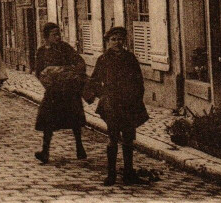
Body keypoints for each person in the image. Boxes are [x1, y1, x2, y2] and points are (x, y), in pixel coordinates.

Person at [87, 26, 150, 186]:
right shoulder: (103, 59)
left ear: (124, 41)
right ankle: (111, 174)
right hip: (112, 104)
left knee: (128, 138)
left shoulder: (130, 58)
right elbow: (94, 81)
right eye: (113, 39)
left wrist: (136, 97)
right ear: (108, 41)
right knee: (113, 138)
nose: (117, 42)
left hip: (129, 103)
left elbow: (139, 80)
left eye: (120, 39)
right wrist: (103, 95)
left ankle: (128, 173)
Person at [33, 23, 87, 163]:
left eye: (59, 34)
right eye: (54, 35)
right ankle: (45, 151)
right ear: (46, 37)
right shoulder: (41, 52)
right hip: (53, 91)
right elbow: (38, 71)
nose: (57, 37)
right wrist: (47, 78)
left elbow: (80, 62)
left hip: (69, 89)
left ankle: (80, 147)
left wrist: (70, 72)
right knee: (47, 121)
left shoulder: (65, 48)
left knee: (75, 119)